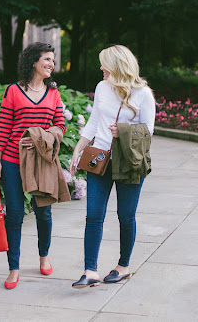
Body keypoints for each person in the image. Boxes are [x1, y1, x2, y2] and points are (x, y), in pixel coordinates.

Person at [69, 44, 155, 288]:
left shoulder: (143, 94)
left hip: (129, 162)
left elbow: (148, 132)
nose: (100, 68)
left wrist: (124, 131)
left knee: (125, 216)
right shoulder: (101, 88)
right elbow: (94, 120)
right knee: (93, 216)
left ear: (116, 66)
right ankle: (90, 270)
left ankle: (123, 266)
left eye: (104, 63)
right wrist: (79, 147)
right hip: (100, 159)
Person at [0, 42, 66, 289]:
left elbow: (60, 126)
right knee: (14, 215)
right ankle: (14, 268)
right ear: (34, 61)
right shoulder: (12, 91)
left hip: (42, 161)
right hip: (13, 161)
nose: (51, 64)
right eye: (46, 59)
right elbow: (3, 128)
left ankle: (43, 256)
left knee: (43, 212)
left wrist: (43, 138)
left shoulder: (53, 94)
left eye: (53, 61)